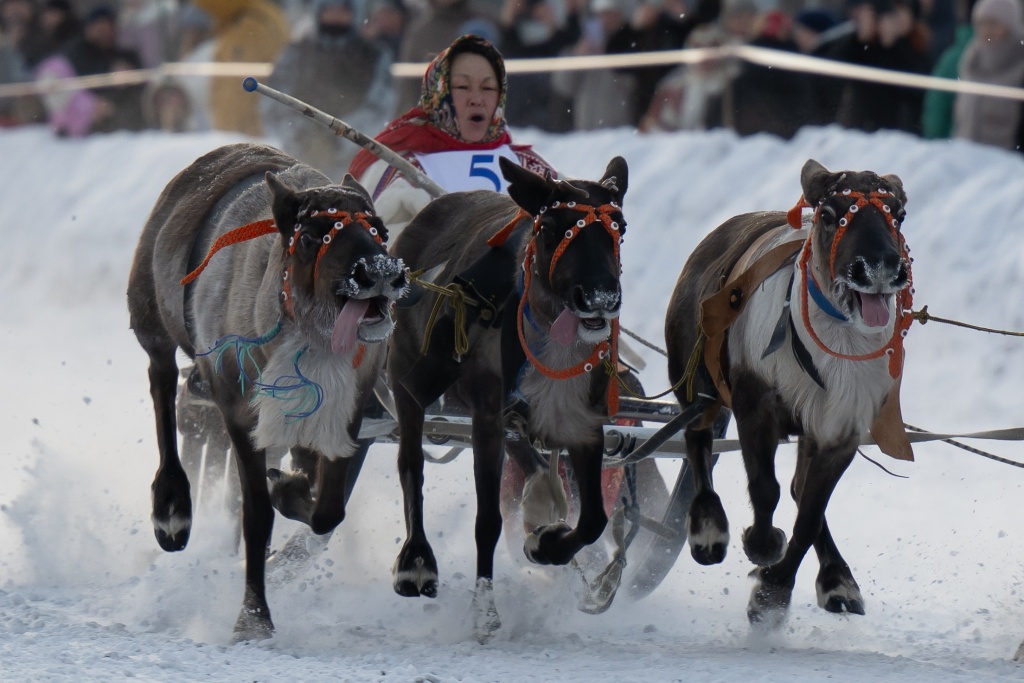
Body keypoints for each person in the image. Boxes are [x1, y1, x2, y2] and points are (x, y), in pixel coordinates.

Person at [349, 34, 554, 239]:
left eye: (488, 88)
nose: (477, 99)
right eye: (463, 87)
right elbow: (369, 241)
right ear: (439, 93)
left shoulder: (528, 164)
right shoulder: (400, 164)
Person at [261, 0, 395, 179]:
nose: (335, 17)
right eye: (330, 10)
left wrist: (340, 138)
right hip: (299, 160)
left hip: (355, 164)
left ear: (354, 13)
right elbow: (274, 103)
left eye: (342, 11)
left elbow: (380, 107)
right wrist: (302, 137)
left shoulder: (375, 54)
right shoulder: (295, 53)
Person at [191, 0, 288, 137]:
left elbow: (239, 88)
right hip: (236, 132)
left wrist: (237, 133)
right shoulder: (238, 21)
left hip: (247, 134)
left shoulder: (254, 24)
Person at [951, 0, 1024, 151]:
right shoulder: (971, 61)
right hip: (965, 158)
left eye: (994, 23)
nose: (987, 30)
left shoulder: (1019, 66)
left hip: (1007, 165)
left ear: (1011, 27)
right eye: (982, 23)